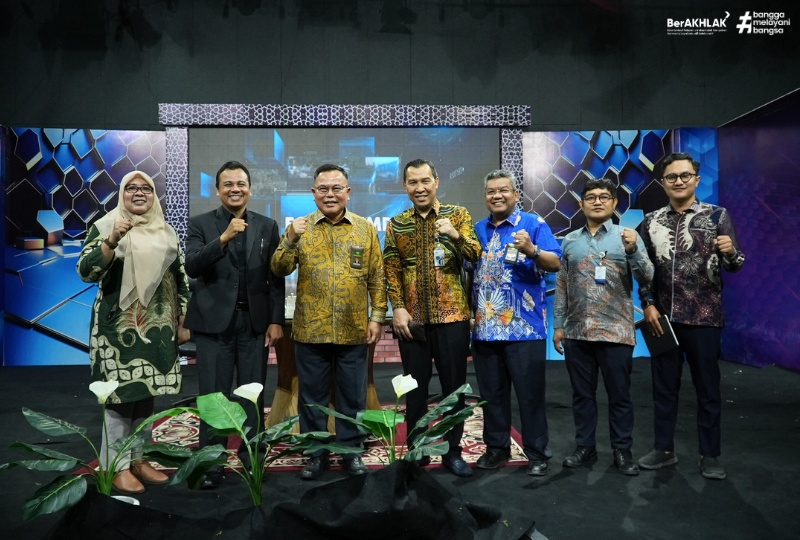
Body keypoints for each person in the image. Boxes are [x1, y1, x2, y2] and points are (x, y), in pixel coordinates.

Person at [77, 170, 191, 495]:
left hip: (158, 331)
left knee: (145, 397)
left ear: (153, 195)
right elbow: (86, 271)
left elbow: (180, 278)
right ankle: (116, 465)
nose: (139, 193)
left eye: (146, 188)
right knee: (120, 398)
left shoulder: (166, 231)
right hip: (116, 332)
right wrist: (112, 240)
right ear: (122, 194)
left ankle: (139, 460)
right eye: (131, 188)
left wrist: (183, 321)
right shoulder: (104, 226)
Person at [271, 163, 387, 481]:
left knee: (353, 395)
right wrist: (290, 239)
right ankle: (315, 453)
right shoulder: (300, 228)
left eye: (337, 188)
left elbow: (377, 277)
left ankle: (351, 451)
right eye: (323, 189)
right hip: (310, 330)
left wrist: (377, 318)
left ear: (348, 192)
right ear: (313, 193)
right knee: (312, 398)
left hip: (354, 329)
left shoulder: (364, 229)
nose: (330, 194)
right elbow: (278, 268)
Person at [636, 152, 745, 480]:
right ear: (663, 183)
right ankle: (664, 450)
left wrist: (731, 252)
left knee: (708, 390)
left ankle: (709, 454)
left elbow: (735, 265)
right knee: (663, 389)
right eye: (672, 177)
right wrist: (647, 303)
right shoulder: (651, 221)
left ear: (696, 180)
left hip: (705, 319)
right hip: (663, 319)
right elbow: (643, 269)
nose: (679, 181)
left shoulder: (717, 215)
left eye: (685, 175)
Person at [184, 160, 285, 490]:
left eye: (241, 183)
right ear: (218, 190)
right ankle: (212, 461)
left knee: (252, 393)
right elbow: (192, 266)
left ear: (250, 189)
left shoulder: (267, 225)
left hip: (254, 324)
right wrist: (224, 238)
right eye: (228, 184)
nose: (235, 189)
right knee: (214, 395)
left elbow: (275, 277)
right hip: (213, 324)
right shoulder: (200, 224)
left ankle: (251, 455)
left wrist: (275, 320)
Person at [383, 158, 481, 478]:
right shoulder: (397, 224)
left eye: (425, 181)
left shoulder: (458, 215)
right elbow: (391, 270)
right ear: (405, 186)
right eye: (413, 182)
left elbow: (475, 254)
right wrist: (397, 307)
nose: (420, 188)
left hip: (452, 317)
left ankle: (452, 452)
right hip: (412, 321)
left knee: (454, 389)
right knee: (415, 391)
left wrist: (455, 235)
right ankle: (417, 449)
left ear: (436, 182)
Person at [553, 178, 654, 476]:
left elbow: (648, 276)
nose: (597, 201)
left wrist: (633, 250)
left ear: (614, 203)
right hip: (577, 332)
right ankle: (585, 446)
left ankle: (622, 450)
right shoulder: (570, 240)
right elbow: (562, 285)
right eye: (591, 197)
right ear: (581, 203)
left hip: (615, 332)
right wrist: (558, 325)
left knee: (619, 396)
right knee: (582, 396)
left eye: (604, 197)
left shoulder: (627, 236)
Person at [471, 170, 562, 476]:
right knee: (491, 396)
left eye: (503, 190)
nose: (496, 196)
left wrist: (532, 250)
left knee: (529, 395)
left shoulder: (534, 224)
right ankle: (497, 449)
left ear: (516, 194)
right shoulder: (478, 229)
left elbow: (556, 262)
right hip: (485, 330)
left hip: (524, 330)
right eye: (491, 191)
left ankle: (536, 453)